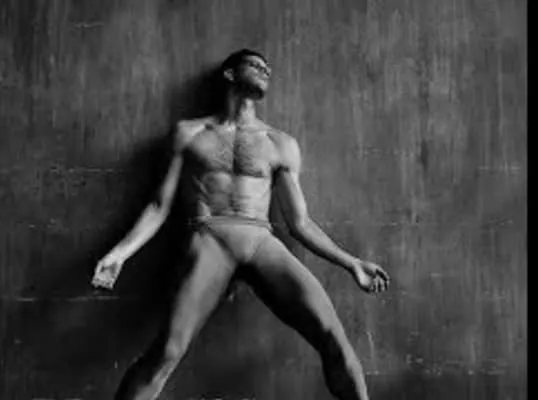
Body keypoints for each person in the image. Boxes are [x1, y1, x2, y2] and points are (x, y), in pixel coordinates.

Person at [92, 49, 390, 400]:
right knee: (168, 350)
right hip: (210, 237)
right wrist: (120, 253)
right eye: (256, 65)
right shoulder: (189, 133)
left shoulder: (281, 144)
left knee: (332, 335)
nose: (265, 71)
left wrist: (351, 263)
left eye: (268, 69)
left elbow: (300, 222)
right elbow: (159, 206)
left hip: (262, 240)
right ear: (230, 74)